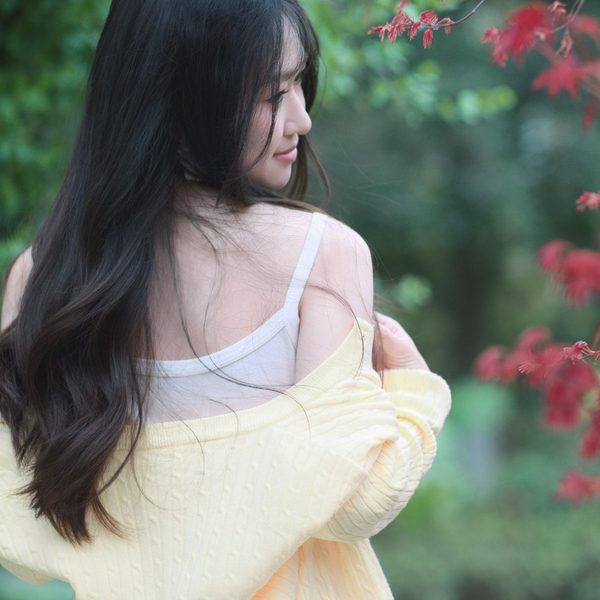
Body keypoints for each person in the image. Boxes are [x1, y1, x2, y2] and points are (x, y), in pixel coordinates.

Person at [0, 0, 451, 598]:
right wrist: (416, 391)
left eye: (300, 83)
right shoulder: (319, 254)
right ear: (187, 98)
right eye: (273, 93)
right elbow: (355, 505)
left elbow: (16, 518)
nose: (302, 118)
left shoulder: (40, 277)